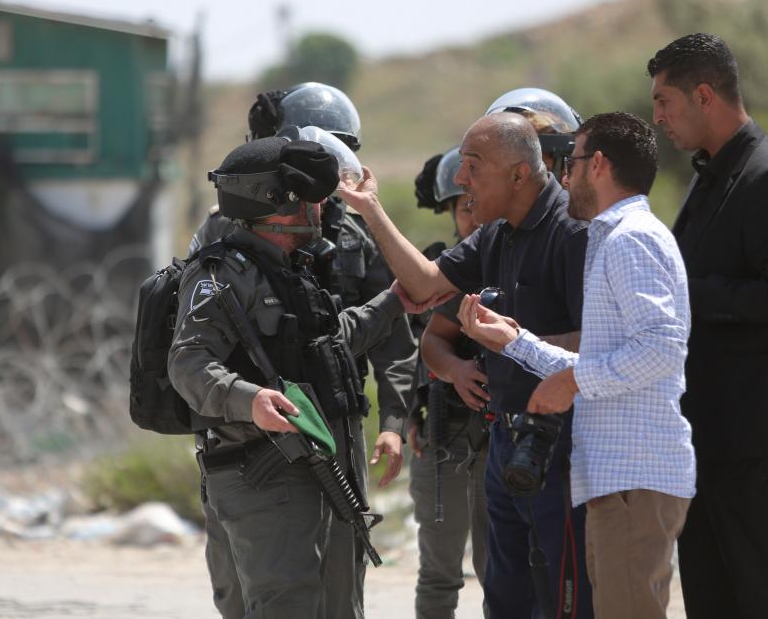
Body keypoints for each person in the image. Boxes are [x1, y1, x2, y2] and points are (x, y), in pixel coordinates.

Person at [339, 105, 594, 619]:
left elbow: (600, 342)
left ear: (519, 174)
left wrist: (514, 341)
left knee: (563, 595)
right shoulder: (495, 233)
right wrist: (371, 210)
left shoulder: (574, 231)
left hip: (564, 446)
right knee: (504, 596)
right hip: (505, 441)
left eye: (473, 165)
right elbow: (424, 286)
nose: (460, 179)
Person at [188, 82, 415, 619]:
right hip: (248, 441)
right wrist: (246, 400)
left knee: (338, 588)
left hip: (331, 425)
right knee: (247, 591)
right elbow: (193, 354)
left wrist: (394, 421)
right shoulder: (227, 241)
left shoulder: (343, 238)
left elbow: (353, 338)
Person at [458, 112, 696, 619]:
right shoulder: (612, 237)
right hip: (617, 480)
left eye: (573, 162)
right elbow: (604, 359)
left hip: (634, 477)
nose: (563, 176)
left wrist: (571, 381)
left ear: (599, 165)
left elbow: (661, 348)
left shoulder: (630, 237)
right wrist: (515, 342)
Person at [648, 33, 768, 618]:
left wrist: (682, 294)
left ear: (704, 95)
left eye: (665, 101)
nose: (658, 118)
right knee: (710, 594)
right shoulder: (709, 173)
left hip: (753, 433)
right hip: (701, 432)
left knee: (767, 589)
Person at [408, 147, 489, 618]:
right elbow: (408, 350)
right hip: (443, 431)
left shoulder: (516, 257)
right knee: (439, 570)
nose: (472, 217)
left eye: (477, 203)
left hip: (497, 432)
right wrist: (407, 415)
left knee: (500, 567)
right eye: (463, 207)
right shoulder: (435, 272)